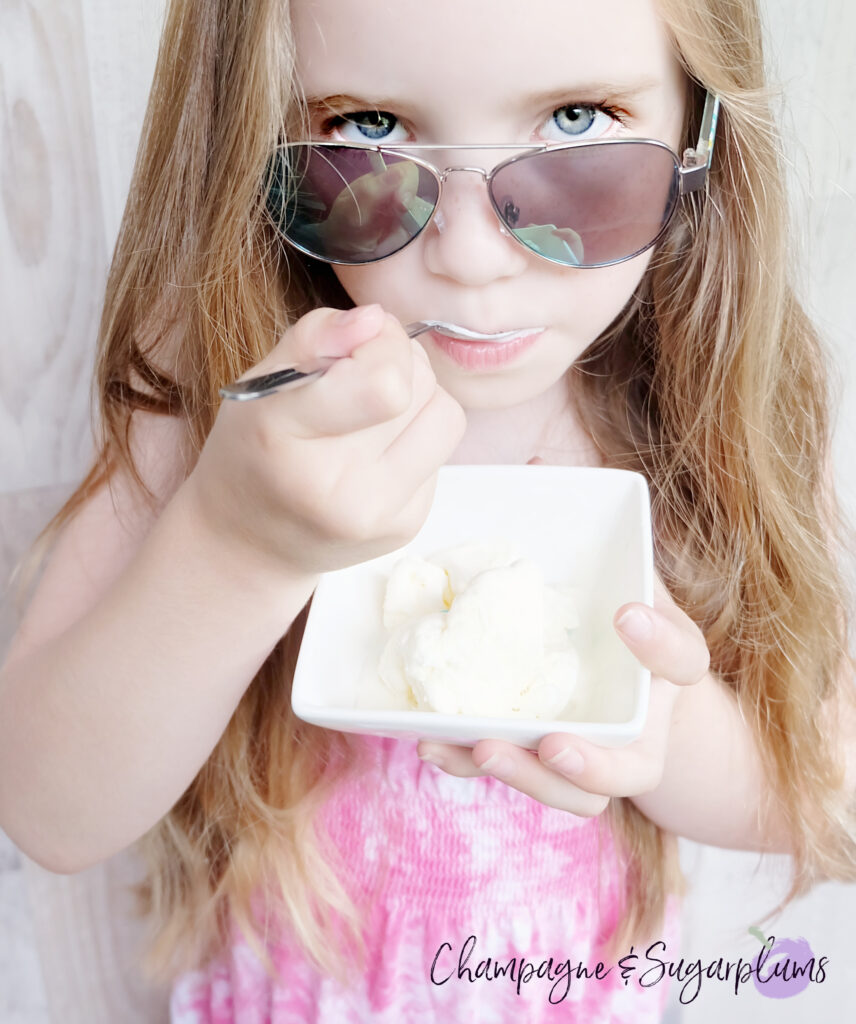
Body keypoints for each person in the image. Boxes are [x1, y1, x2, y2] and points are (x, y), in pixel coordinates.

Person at [1, 0, 854, 1019]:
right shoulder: (227, 377)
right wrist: (232, 544)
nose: (470, 254)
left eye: (576, 122)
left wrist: (666, 726)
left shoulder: (710, 388)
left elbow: (824, 804)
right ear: (257, 131)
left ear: (699, 131)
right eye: (369, 127)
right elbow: (49, 807)